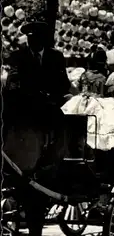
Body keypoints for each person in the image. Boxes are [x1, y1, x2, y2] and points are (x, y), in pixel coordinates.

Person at [6, 21, 72, 170]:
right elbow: (13, 81)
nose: (31, 41)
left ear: (43, 39)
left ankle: (56, 159)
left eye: (35, 38)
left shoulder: (56, 57)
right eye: (29, 38)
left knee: (63, 121)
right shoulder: (18, 56)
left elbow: (63, 83)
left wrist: (52, 95)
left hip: (50, 103)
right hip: (26, 102)